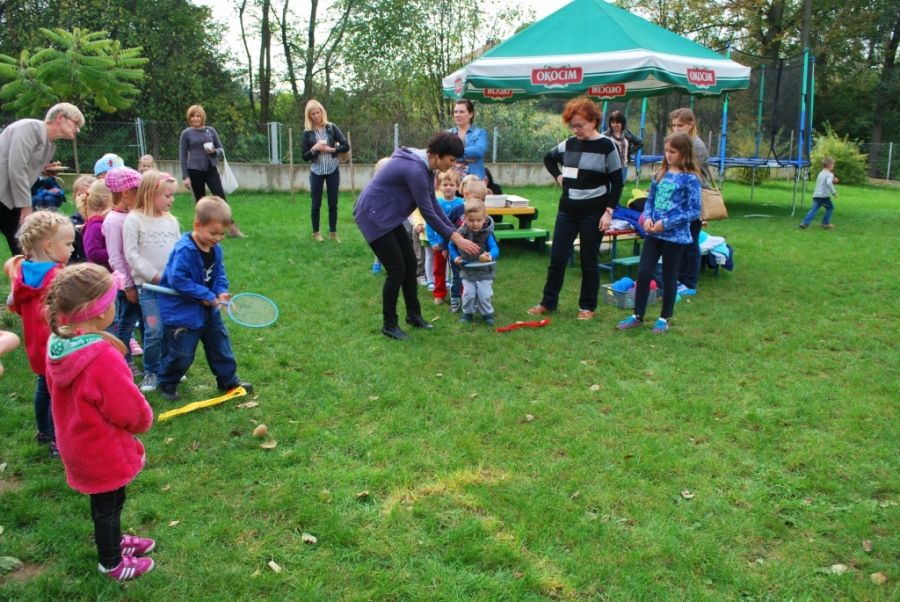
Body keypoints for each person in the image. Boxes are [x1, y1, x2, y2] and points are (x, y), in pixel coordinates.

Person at [43, 263, 155, 581]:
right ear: (99, 310)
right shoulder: (101, 357)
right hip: (101, 447)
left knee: (106, 501)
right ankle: (112, 563)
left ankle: (114, 542)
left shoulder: (59, 344)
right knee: (109, 505)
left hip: (77, 441)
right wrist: (143, 420)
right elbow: (128, 410)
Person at [353, 132, 481, 340]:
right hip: (373, 216)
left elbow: (432, 203)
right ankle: (389, 325)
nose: (453, 165)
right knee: (396, 269)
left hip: (387, 215)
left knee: (410, 263)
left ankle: (413, 315)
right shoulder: (415, 169)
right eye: (451, 160)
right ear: (437, 155)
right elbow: (428, 212)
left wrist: (454, 233)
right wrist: (456, 238)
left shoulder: (425, 166)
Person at [528, 97, 623, 321]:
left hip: (594, 212)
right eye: (572, 126)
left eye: (580, 125)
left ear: (593, 122)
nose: (576, 130)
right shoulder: (568, 144)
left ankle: (587, 306)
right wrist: (558, 176)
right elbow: (548, 159)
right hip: (567, 211)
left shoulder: (607, 146)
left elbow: (617, 182)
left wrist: (608, 211)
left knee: (589, 261)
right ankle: (548, 302)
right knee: (557, 258)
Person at [156, 196, 252, 400]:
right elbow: (178, 279)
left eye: (222, 234)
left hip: (209, 311)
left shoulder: (216, 249)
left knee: (220, 346)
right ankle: (167, 382)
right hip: (182, 313)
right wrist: (205, 295)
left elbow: (219, 274)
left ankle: (228, 381)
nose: (218, 238)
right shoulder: (184, 250)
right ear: (197, 225)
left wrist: (221, 291)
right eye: (213, 233)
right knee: (182, 353)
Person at [3, 210, 75, 457]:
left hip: (36, 346)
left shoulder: (24, 273)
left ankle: (44, 432)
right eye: (68, 244)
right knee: (59, 394)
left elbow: (16, 305)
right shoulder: (58, 276)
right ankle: (57, 440)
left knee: (44, 387)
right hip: (58, 343)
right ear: (49, 246)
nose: (72, 249)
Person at [616, 132, 701, 334]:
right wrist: (646, 218)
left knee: (669, 278)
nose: (668, 155)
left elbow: (694, 211)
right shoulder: (660, 173)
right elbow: (650, 202)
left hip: (675, 238)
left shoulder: (690, 179)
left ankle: (665, 318)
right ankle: (637, 315)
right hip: (653, 235)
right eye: (666, 151)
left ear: (684, 153)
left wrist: (667, 223)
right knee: (644, 273)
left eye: (673, 152)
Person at [0, 103, 83, 255]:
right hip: (7, 197)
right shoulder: (28, 128)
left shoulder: (48, 144)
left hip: (10, 200)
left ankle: (27, 270)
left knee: (24, 248)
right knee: (23, 247)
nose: (78, 129)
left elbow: (23, 166)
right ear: (61, 118)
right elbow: (17, 168)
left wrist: (42, 170)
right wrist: (26, 206)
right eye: (75, 123)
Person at [124, 171, 181, 393]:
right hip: (148, 288)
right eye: (167, 195)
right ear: (150, 194)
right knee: (154, 330)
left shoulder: (171, 221)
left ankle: (169, 368)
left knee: (171, 329)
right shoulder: (134, 220)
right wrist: (155, 276)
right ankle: (152, 371)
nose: (172, 200)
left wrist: (178, 276)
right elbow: (132, 255)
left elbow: (179, 252)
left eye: (172, 195)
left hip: (171, 288)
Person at [178, 104, 244, 238]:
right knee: (200, 201)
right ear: (189, 118)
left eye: (198, 116)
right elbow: (183, 156)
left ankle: (232, 228)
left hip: (211, 168)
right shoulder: (186, 133)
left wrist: (214, 152)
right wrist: (185, 176)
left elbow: (221, 150)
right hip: (195, 170)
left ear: (202, 117)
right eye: (193, 116)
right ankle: (201, 230)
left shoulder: (210, 131)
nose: (195, 119)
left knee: (220, 198)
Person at [103, 168, 144, 373]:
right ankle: (124, 361)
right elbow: (115, 257)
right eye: (138, 192)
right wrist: (128, 285)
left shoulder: (131, 216)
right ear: (126, 193)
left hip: (140, 280)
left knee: (145, 322)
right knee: (126, 324)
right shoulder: (113, 221)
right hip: (127, 285)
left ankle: (152, 363)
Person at [669, 108, 708, 296]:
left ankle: (690, 283)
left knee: (691, 241)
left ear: (691, 124)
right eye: (673, 125)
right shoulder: (676, 142)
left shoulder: (697, 146)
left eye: (680, 125)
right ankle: (680, 278)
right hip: (678, 200)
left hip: (693, 199)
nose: (676, 129)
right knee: (680, 242)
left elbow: (688, 172)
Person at [301, 100, 350, 242]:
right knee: (316, 204)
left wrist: (331, 149)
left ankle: (333, 233)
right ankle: (316, 233)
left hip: (332, 169)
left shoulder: (331, 127)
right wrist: (314, 148)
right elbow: (304, 156)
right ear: (309, 116)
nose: (316, 116)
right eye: (313, 114)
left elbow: (346, 146)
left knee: (333, 204)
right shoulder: (307, 133)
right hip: (316, 171)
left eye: (318, 112)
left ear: (322, 112)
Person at [450, 199, 499, 325]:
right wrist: (455, 257)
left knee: (484, 294)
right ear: (465, 219)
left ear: (484, 219)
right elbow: (451, 245)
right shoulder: (461, 233)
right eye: (471, 220)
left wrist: (489, 256)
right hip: (467, 270)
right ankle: (467, 314)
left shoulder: (487, 234)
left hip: (484, 270)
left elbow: (495, 249)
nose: (475, 224)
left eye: (478, 220)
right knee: (468, 294)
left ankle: (487, 314)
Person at [426, 169, 463, 308]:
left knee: (459, 269)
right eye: (445, 184)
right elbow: (430, 223)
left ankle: (461, 292)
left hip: (457, 244)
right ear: (439, 186)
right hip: (440, 244)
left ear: (457, 187)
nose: (448, 187)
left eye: (452, 184)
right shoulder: (437, 204)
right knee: (439, 269)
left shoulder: (462, 203)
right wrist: (433, 241)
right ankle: (439, 294)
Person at [449, 99, 488, 179]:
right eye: (455, 112)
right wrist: (469, 158)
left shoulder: (480, 133)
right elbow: (444, 154)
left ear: (471, 114)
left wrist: (454, 156)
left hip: (475, 180)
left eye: (461, 112)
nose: (457, 115)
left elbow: (479, 151)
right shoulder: (448, 134)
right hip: (452, 181)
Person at [603, 110, 643, 184]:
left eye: (617, 122)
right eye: (612, 122)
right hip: (608, 168)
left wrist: (629, 151)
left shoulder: (627, 134)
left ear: (622, 123)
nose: (614, 125)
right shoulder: (605, 135)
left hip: (623, 167)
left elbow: (640, 143)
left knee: (619, 188)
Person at [799, 157, 839, 229]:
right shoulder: (830, 174)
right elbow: (828, 183)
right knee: (830, 207)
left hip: (816, 195)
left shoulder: (820, 173)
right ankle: (825, 223)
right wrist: (834, 192)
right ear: (830, 165)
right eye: (833, 164)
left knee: (814, 209)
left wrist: (833, 181)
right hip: (824, 196)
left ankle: (804, 223)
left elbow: (823, 182)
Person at [82, 180, 113, 270]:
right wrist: (115, 252)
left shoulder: (101, 223)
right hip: (102, 273)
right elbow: (93, 253)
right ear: (107, 201)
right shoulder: (95, 227)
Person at [69, 175, 97, 263]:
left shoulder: (101, 220)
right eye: (80, 194)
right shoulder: (72, 222)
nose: (84, 198)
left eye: (88, 194)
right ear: (74, 197)